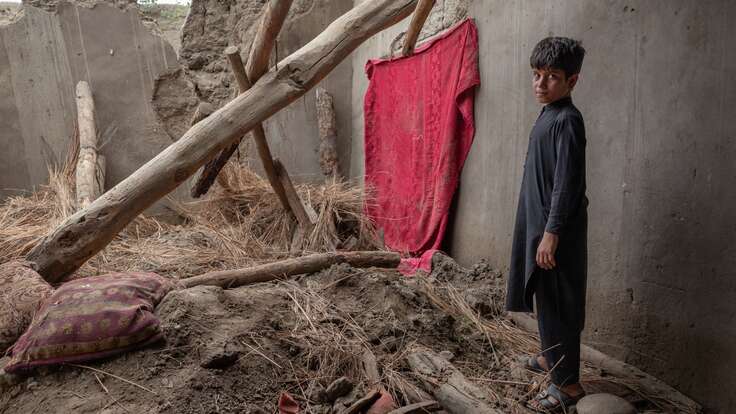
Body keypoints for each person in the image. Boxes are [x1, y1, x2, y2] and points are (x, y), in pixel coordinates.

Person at [506, 37, 588, 412]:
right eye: (536, 75)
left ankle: (567, 384)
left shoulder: (568, 120)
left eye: (552, 77)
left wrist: (552, 234)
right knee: (544, 296)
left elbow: (567, 184)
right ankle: (549, 356)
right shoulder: (548, 114)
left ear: (572, 81)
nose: (540, 84)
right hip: (540, 227)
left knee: (560, 302)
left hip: (557, 233)